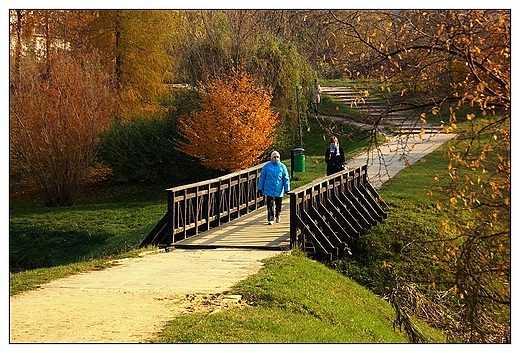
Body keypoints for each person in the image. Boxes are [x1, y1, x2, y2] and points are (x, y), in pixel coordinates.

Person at [258, 151, 290, 225]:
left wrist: (287, 189)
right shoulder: (267, 166)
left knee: (278, 204)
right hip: (269, 188)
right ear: (272, 158)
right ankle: (270, 218)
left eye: (277, 157)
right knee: (270, 204)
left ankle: (278, 215)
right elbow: (262, 177)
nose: (276, 158)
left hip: (278, 188)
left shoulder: (282, 166)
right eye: (274, 157)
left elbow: (286, 178)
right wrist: (260, 187)